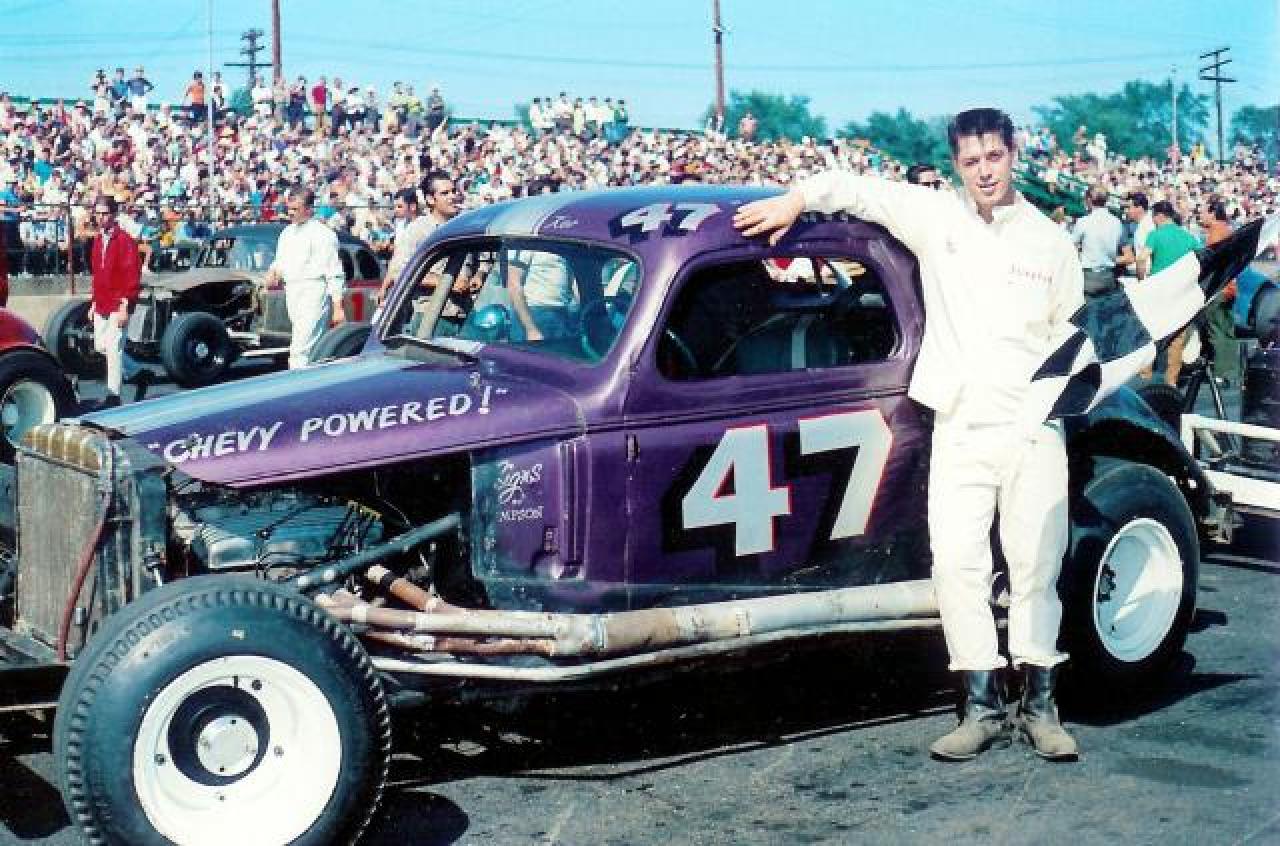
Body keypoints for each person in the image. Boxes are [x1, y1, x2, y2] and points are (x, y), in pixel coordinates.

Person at [734, 107, 1083, 763]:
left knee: (1036, 564)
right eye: (971, 161)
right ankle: (980, 708)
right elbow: (857, 190)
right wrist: (798, 199)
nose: (985, 171)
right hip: (960, 420)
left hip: (1034, 424)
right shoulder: (936, 216)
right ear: (956, 164)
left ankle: (1042, 708)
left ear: (1014, 154)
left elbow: (1073, 333)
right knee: (956, 562)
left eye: (994, 157)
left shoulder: (1051, 242)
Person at [263, 186, 346, 368]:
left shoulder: (323, 234)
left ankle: (296, 381)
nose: (291, 213)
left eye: (296, 209)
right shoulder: (287, 233)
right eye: (289, 208)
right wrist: (273, 273)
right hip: (292, 291)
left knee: (300, 349)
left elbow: (334, 272)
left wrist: (338, 306)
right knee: (310, 346)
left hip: (314, 292)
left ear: (308, 209)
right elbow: (280, 262)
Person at [89, 196, 151, 407]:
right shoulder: (98, 240)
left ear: (114, 214)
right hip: (102, 301)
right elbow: (97, 274)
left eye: (105, 213)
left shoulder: (124, 240)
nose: (101, 217)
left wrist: (125, 304)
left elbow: (132, 275)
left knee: (114, 349)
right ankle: (138, 373)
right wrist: (93, 303)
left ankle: (113, 396)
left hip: (119, 302)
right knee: (101, 346)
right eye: (98, 213)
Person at [1142, 200, 1200, 386]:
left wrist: (1142, 279)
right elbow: (1201, 257)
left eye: (1153, 217)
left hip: (1158, 289)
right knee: (1177, 337)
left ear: (1159, 216)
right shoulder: (1187, 237)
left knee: (1151, 332)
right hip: (1181, 290)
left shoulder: (1155, 235)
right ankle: (1171, 380)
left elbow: (1142, 258)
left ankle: (1145, 375)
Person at [1198, 200, 1241, 387]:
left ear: (1213, 214)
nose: (1201, 216)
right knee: (1227, 331)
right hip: (1230, 287)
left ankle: (1221, 373)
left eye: (1204, 212)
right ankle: (1231, 371)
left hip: (1219, 288)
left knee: (1216, 331)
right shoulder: (1228, 230)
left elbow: (1213, 263)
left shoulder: (1215, 234)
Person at [1071, 186, 1124, 295]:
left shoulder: (1083, 222)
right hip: (1109, 276)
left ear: (1089, 200)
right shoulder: (1116, 222)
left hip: (1089, 277)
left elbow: (1072, 248)